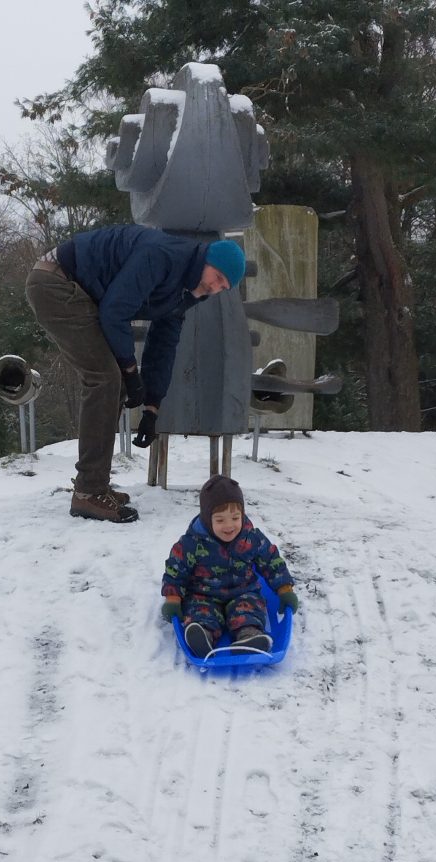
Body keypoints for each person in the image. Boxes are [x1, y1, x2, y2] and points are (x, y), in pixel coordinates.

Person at [25, 225, 246, 524]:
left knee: (112, 381)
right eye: (217, 278)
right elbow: (114, 311)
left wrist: (152, 406)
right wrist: (130, 371)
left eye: (223, 287)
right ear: (206, 260)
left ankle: (95, 485)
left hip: (76, 290)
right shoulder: (162, 255)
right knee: (105, 379)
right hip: (56, 282)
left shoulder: (185, 291)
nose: (215, 288)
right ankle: (89, 492)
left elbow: (164, 343)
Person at [161, 474, 299, 656]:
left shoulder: (251, 537)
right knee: (200, 612)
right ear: (207, 518)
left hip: (243, 592)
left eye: (235, 518)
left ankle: (249, 637)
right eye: (220, 520)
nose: (229, 526)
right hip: (204, 594)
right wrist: (173, 598)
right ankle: (202, 635)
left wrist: (285, 589)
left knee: (249, 610)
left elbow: (272, 561)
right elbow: (175, 571)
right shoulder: (191, 543)